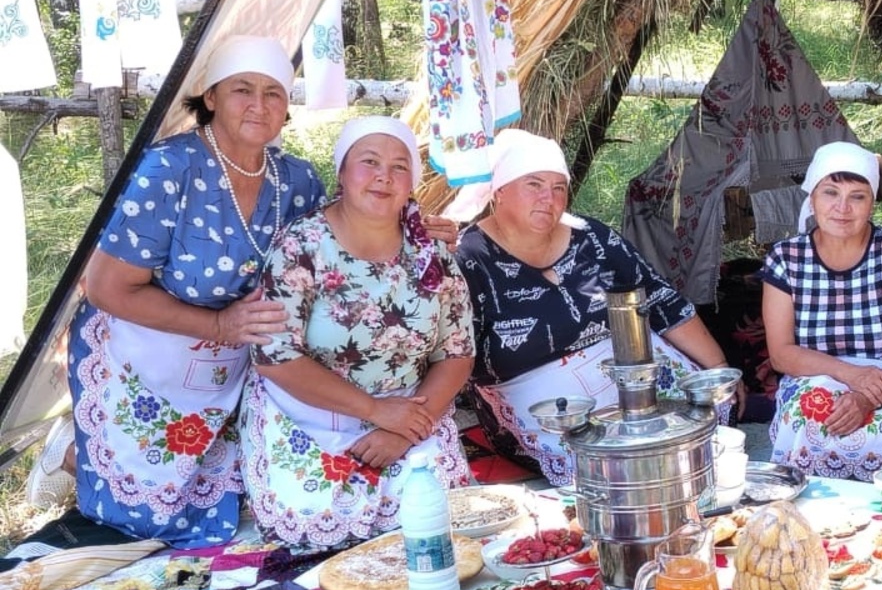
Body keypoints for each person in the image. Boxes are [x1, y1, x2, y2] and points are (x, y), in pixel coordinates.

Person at [55, 36, 325, 546]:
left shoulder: (297, 180)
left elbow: (332, 247)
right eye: (242, 89)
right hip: (142, 354)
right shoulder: (169, 169)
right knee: (144, 520)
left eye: (273, 93)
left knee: (238, 507)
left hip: (226, 365)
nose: (259, 104)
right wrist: (220, 324)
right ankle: (69, 451)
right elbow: (107, 287)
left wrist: (413, 227)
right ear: (211, 97)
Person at [240, 117, 474, 547]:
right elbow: (275, 357)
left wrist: (403, 429)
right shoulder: (302, 245)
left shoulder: (431, 250)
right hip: (311, 416)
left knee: (439, 523)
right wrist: (373, 410)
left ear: (412, 183)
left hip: (410, 412)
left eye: (400, 166)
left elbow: (457, 352)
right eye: (370, 162)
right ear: (343, 172)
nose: (384, 176)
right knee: (317, 532)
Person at [456, 130, 736, 486]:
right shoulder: (468, 258)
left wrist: (717, 368)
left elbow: (659, 300)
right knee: (606, 467)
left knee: (698, 422)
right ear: (499, 191)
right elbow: (452, 354)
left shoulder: (591, 237)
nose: (548, 198)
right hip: (537, 395)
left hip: (625, 368)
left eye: (559, 187)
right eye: (534, 185)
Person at [760, 141, 882, 480]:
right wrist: (851, 375)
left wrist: (867, 398)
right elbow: (782, 354)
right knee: (808, 425)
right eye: (830, 193)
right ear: (812, 197)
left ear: (872, 203)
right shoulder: (786, 258)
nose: (842, 208)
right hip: (813, 376)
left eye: (857, 196)